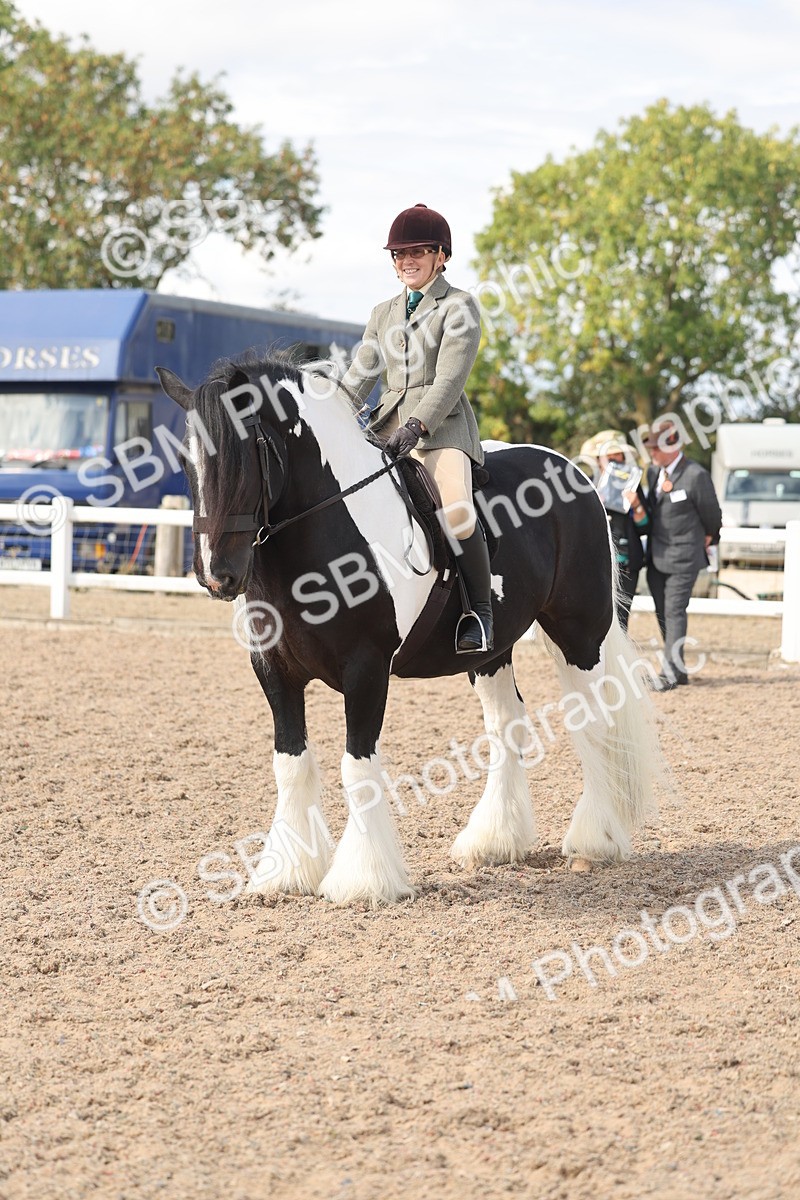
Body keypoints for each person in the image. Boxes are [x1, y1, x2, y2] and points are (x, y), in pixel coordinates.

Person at [340, 203, 492, 653]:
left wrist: (417, 423)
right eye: (399, 254)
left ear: (441, 256)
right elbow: (360, 374)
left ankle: (479, 613)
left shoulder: (459, 305)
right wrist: (331, 414)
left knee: (457, 513)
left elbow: (449, 378)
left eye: (418, 252)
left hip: (440, 429)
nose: (407, 261)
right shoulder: (382, 312)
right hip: (386, 428)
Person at [643, 417, 722, 690]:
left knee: (675, 611)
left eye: (656, 448)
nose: (652, 453)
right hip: (657, 555)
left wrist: (711, 536)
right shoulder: (653, 473)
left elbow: (712, 514)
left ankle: (669, 673)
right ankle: (678, 668)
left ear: (673, 446)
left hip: (685, 555)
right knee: (663, 613)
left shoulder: (696, 475)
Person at [580, 430, 648, 632]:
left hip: (625, 564)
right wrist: (592, 506)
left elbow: (645, 527)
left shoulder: (633, 484)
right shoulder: (585, 484)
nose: (615, 459)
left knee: (620, 621)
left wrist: (637, 505)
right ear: (598, 459)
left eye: (618, 454)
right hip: (593, 564)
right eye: (609, 455)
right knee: (592, 620)